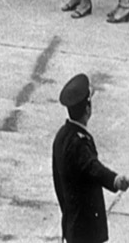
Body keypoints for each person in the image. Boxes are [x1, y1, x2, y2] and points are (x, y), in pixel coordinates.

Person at [52, 73, 129, 243]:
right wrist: (115, 180)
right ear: (88, 109)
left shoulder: (61, 136)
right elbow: (92, 167)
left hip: (72, 223)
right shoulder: (79, 142)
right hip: (86, 231)